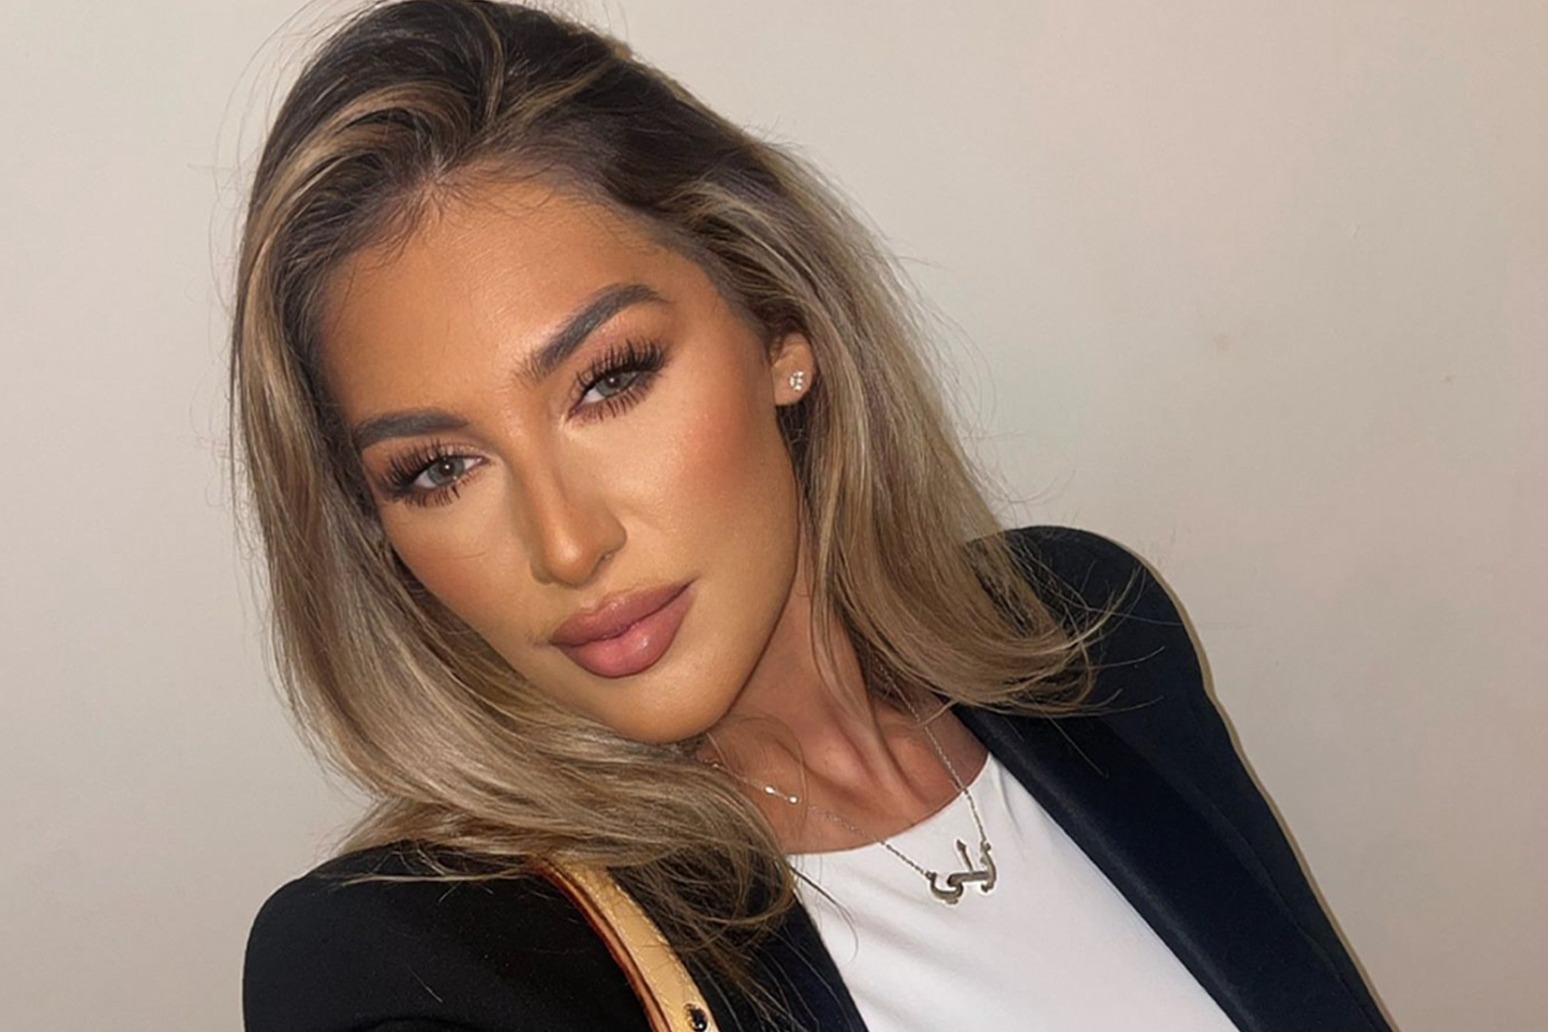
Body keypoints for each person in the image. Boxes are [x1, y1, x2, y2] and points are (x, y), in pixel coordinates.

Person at [234, 2, 1393, 1030]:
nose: (568, 545)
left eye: (610, 380)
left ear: (779, 326)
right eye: (439, 469)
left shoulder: (1087, 632)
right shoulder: (424, 960)